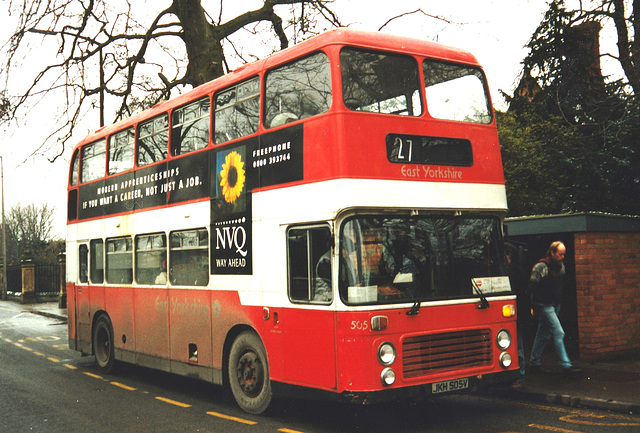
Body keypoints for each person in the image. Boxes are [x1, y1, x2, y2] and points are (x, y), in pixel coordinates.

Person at [529, 241, 581, 378]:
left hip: (555, 304)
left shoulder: (561, 267)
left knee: (543, 333)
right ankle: (566, 365)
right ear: (552, 253)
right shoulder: (541, 267)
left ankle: (534, 363)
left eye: (564, 254)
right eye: (560, 254)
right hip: (545, 305)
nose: (563, 257)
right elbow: (532, 287)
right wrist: (533, 305)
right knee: (559, 332)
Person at [505, 242, 530, 388]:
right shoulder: (515, 269)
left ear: (508, 255)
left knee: (518, 347)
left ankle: (520, 377)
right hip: (518, 315)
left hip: (517, 315)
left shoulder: (514, 271)